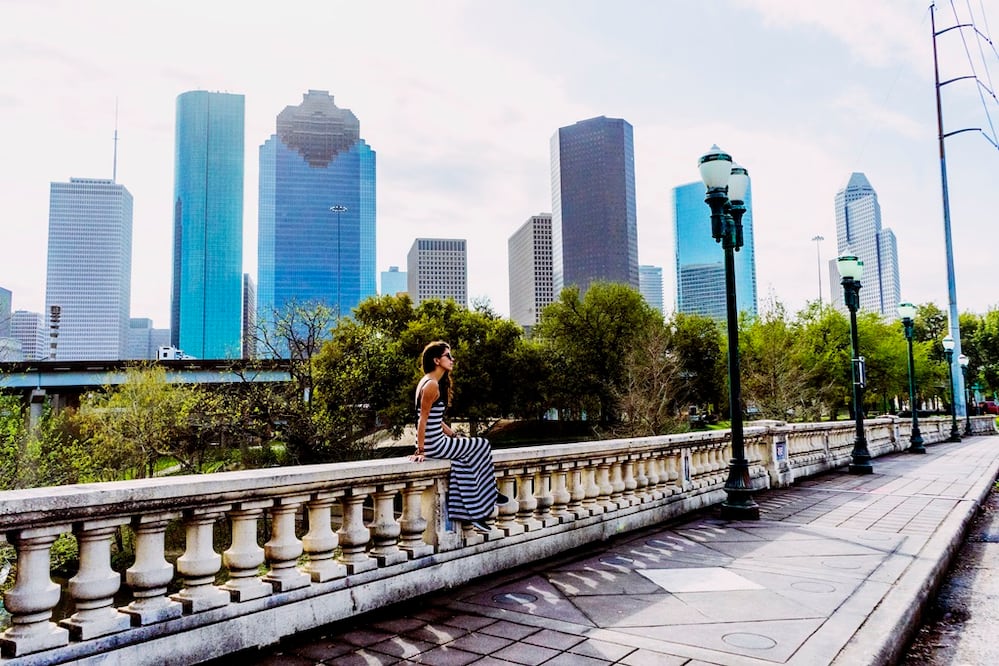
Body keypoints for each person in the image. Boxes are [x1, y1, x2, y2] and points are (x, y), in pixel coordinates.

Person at [412, 341, 504, 534]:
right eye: (448, 356)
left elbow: (434, 419)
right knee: (482, 444)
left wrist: (453, 434)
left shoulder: (428, 381)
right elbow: (422, 419)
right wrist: (421, 450)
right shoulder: (431, 385)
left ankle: (475, 510)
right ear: (437, 360)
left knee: (463, 462)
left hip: (436, 440)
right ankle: (488, 496)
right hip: (435, 444)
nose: (453, 359)